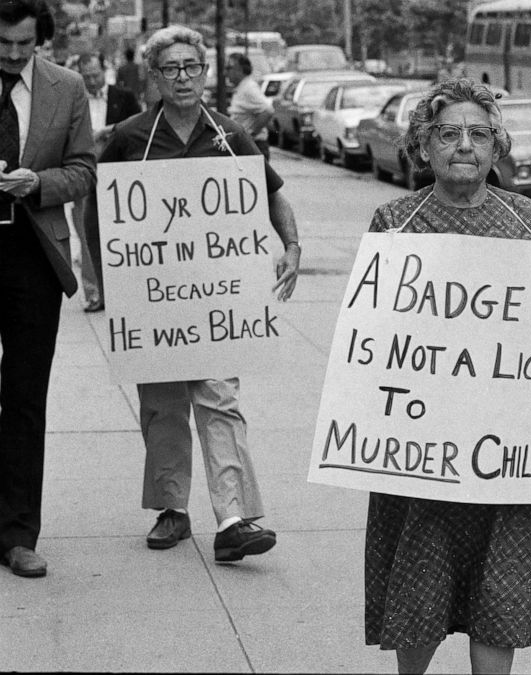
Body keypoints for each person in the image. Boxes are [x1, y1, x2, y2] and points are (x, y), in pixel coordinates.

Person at [363, 78, 531, 674]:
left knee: (501, 586)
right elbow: (371, 335)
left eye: (478, 133)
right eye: (448, 133)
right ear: (424, 147)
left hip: (507, 454)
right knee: (420, 583)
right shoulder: (395, 223)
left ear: (496, 147)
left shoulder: (530, 221)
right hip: (421, 453)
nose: (464, 144)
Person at [93, 25, 301, 563]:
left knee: (220, 400)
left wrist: (292, 247)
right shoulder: (130, 137)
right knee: (162, 405)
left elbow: (273, 194)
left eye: (192, 67)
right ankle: (172, 510)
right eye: (171, 69)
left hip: (217, 300)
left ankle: (234, 519)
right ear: (154, 77)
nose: (183, 78)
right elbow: (102, 210)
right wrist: (112, 276)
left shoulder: (230, 135)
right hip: (154, 296)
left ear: (205, 73)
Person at [0, 0, 96, 578]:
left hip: (33, 259)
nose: (12, 55)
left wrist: (38, 182)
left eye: (23, 45)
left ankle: (18, 534)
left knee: (25, 400)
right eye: (3, 44)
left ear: (40, 40)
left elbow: (85, 169)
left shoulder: (68, 88)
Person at [69, 51, 141, 312]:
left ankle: (125, 290)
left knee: (121, 235)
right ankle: (94, 292)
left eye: (95, 75)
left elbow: (139, 126)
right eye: (86, 76)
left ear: (105, 71)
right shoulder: (73, 100)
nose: (91, 81)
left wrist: (107, 131)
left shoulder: (124, 97)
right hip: (84, 175)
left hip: (117, 176)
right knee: (86, 235)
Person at [225, 51, 273, 161]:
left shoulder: (249, 88)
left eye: (229, 68)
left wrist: (251, 133)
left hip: (254, 147)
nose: (226, 73)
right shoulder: (241, 88)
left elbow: (268, 110)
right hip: (246, 147)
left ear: (240, 69)